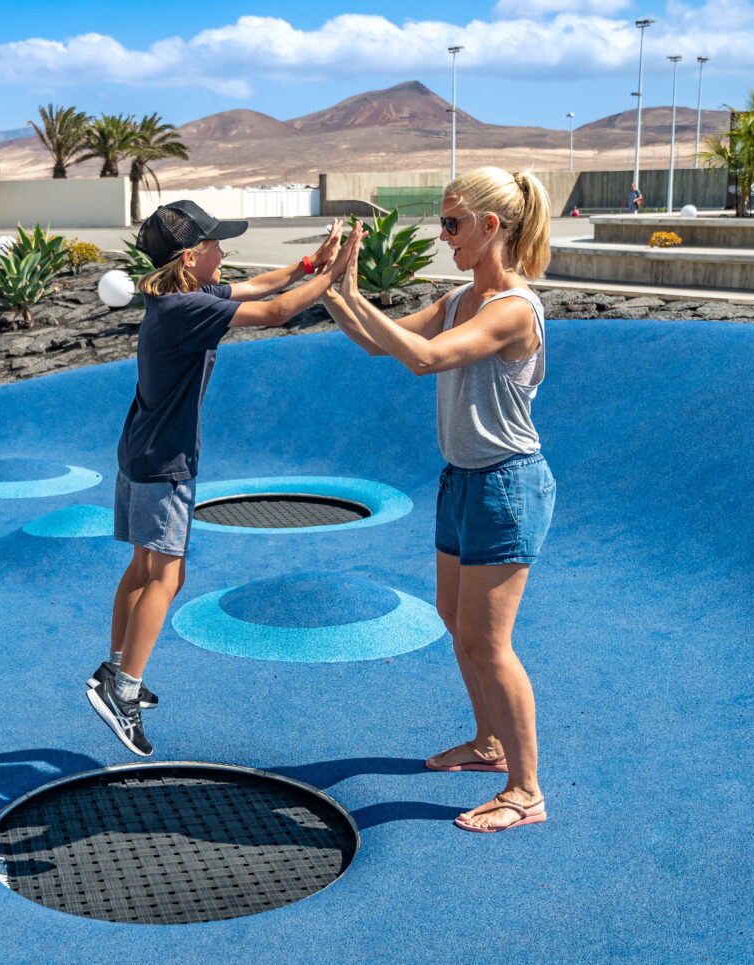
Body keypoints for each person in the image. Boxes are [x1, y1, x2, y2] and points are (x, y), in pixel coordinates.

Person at [322, 168, 555, 833]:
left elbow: (423, 359)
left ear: (492, 226)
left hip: (507, 485)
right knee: (457, 623)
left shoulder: (511, 308)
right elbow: (379, 341)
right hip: (461, 480)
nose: (444, 235)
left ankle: (527, 788)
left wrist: (349, 290)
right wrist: (336, 289)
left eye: (453, 224)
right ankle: (488, 745)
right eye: (442, 223)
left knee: (490, 642)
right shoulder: (460, 299)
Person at [88, 201, 350, 757]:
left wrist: (310, 263)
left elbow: (259, 285)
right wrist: (333, 278)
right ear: (191, 256)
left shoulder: (177, 296)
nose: (224, 254)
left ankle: (114, 671)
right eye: (216, 246)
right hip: (164, 462)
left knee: (143, 568)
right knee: (167, 578)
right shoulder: (187, 307)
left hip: (140, 451)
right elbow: (277, 313)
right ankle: (124, 693)